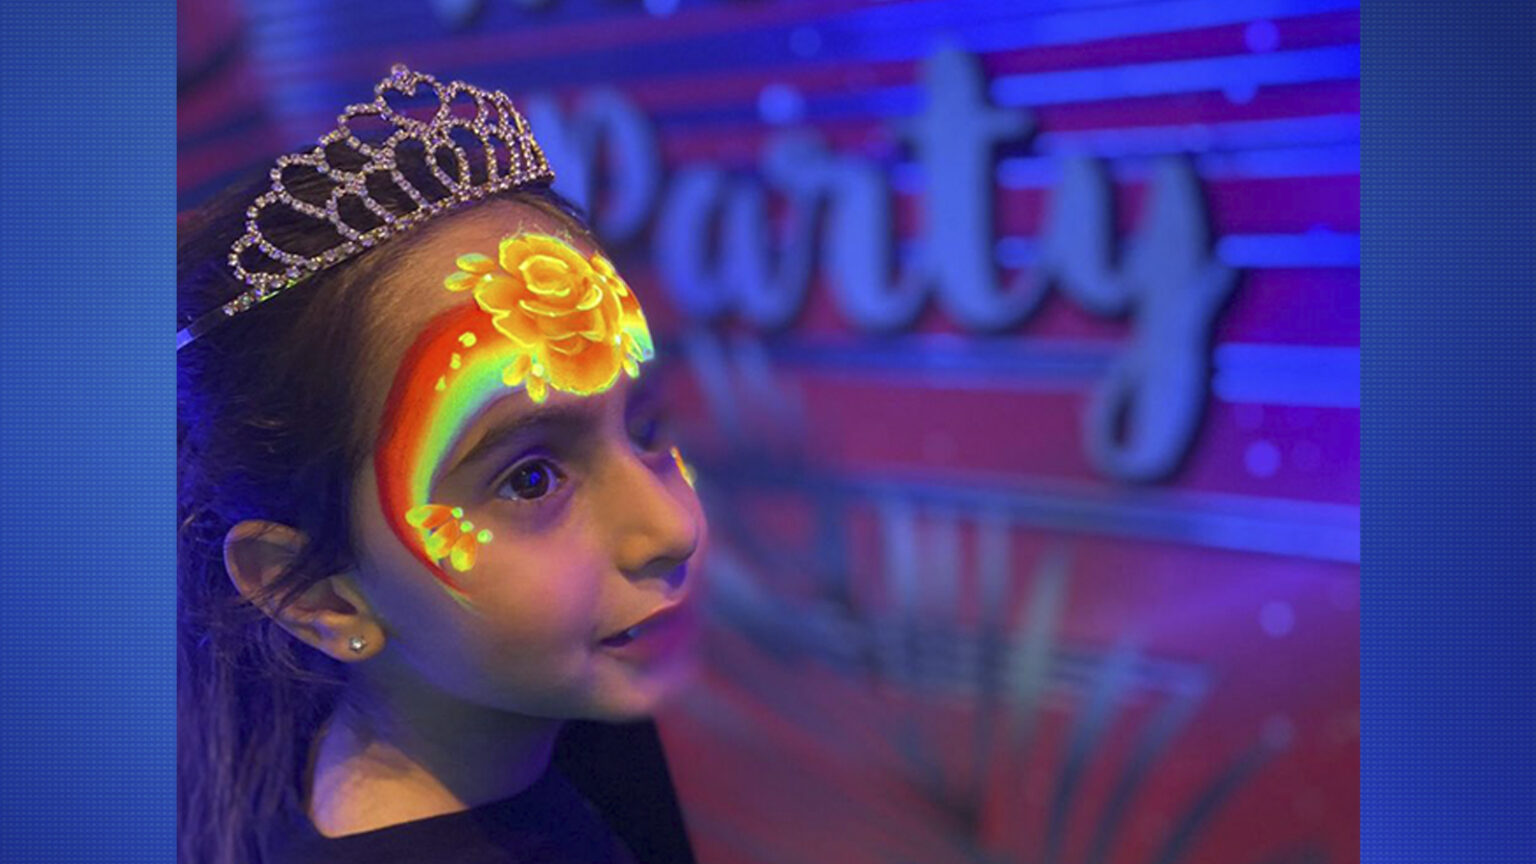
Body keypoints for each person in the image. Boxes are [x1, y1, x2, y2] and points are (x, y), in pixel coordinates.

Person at [177, 66, 706, 864]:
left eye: (647, 428)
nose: (670, 527)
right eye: (531, 478)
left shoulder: (553, 720)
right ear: (322, 598)